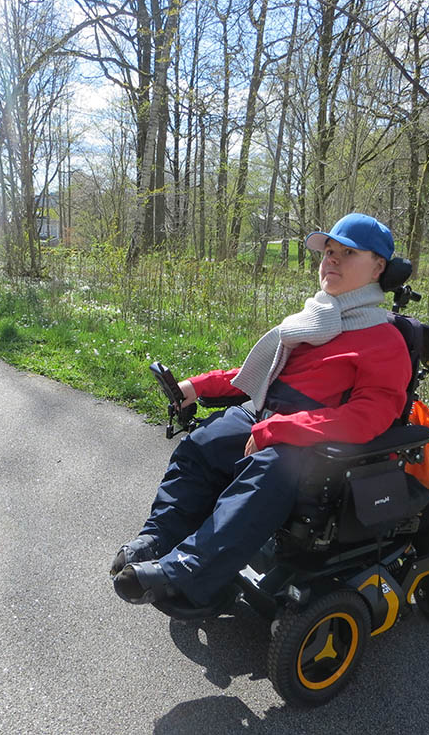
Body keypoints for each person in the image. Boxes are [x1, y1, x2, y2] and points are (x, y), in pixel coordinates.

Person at [111, 213, 412, 613]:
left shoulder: (384, 340)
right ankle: (159, 536)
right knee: (203, 443)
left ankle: (186, 571)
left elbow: (367, 417)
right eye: (329, 251)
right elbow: (260, 374)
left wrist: (282, 430)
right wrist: (199, 386)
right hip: (268, 415)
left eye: (348, 253)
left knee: (268, 471)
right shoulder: (317, 319)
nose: (331, 260)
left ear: (378, 267)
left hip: (317, 442)